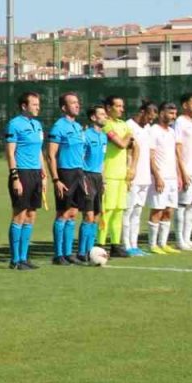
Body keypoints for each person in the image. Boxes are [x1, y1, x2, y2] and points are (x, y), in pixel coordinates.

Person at [5, 91, 49, 270]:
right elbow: (10, 153)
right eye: (34, 105)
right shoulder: (14, 124)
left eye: (38, 104)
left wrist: (43, 173)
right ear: (24, 106)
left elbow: (39, 150)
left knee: (31, 215)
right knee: (20, 215)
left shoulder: (37, 125)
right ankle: (15, 260)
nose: (38, 107)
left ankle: (24, 257)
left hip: (36, 174)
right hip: (22, 173)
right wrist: (15, 177)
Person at [46, 92, 85, 266]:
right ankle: (58, 254)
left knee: (73, 213)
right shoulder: (58, 127)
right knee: (62, 213)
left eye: (78, 102)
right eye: (73, 103)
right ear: (64, 107)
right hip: (65, 173)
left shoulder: (78, 126)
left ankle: (68, 253)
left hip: (78, 173)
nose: (77, 105)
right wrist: (56, 179)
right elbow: (51, 155)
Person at [99, 94, 133, 258]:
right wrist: (128, 138)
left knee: (119, 210)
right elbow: (122, 144)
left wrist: (130, 168)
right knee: (107, 210)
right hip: (109, 174)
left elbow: (133, 146)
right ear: (108, 108)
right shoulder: (106, 125)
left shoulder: (123, 124)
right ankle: (100, 244)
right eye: (118, 106)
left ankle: (115, 244)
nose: (121, 109)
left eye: (122, 106)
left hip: (121, 175)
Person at [122, 99, 156, 257]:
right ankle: (125, 244)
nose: (151, 120)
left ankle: (134, 245)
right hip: (132, 176)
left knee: (137, 211)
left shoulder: (148, 128)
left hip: (144, 176)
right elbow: (127, 152)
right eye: (149, 116)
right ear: (142, 112)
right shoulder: (129, 125)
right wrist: (129, 171)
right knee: (128, 211)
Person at [77, 104, 109, 262]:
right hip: (86, 176)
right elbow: (80, 158)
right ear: (93, 117)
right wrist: (81, 177)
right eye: (102, 114)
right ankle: (81, 252)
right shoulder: (85, 135)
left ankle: (90, 251)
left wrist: (103, 180)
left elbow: (102, 161)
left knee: (96, 215)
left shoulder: (103, 136)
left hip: (98, 178)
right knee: (88, 215)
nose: (105, 117)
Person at [146, 102, 179, 254]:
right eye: (170, 113)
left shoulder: (172, 132)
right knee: (157, 210)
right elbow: (151, 156)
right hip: (160, 177)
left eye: (174, 113)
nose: (173, 116)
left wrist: (178, 175)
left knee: (169, 210)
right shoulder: (153, 131)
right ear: (161, 113)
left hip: (172, 177)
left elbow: (174, 155)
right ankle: (152, 245)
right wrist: (157, 176)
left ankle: (163, 243)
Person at [173, 92, 192, 251]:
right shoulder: (179, 122)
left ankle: (187, 238)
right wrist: (182, 171)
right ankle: (179, 240)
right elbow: (177, 147)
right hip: (187, 170)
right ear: (185, 105)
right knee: (182, 205)